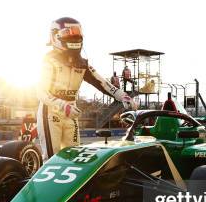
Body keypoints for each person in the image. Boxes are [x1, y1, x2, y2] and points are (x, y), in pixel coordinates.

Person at [37, 17, 137, 158]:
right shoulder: (48, 61)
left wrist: (122, 95)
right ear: (55, 36)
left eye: (77, 32)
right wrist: (63, 105)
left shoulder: (82, 63)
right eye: (68, 32)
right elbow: (41, 93)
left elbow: (103, 83)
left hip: (72, 112)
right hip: (50, 112)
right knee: (51, 158)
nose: (74, 36)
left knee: (74, 156)